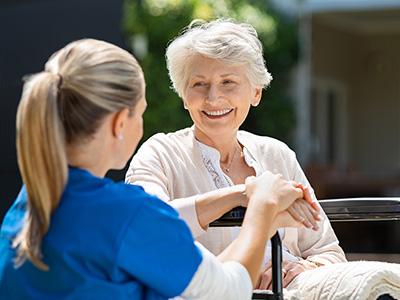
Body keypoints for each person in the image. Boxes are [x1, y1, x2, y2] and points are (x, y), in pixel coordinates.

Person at [0, 39, 317, 299]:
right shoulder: (127, 213)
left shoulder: (29, 204)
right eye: (140, 113)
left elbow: (144, 225)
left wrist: (237, 194)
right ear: (119, 123)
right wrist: (262, 206)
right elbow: (230, 290)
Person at [126, 19, 347, 290]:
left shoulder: (277, 154)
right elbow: (146, 228)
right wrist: (246, 195)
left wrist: (302, 268)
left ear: (256, 92)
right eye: (199, 84)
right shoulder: (159, 153)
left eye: (228, 82)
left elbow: (329, 252)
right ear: (184, 95)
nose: (213, 98)